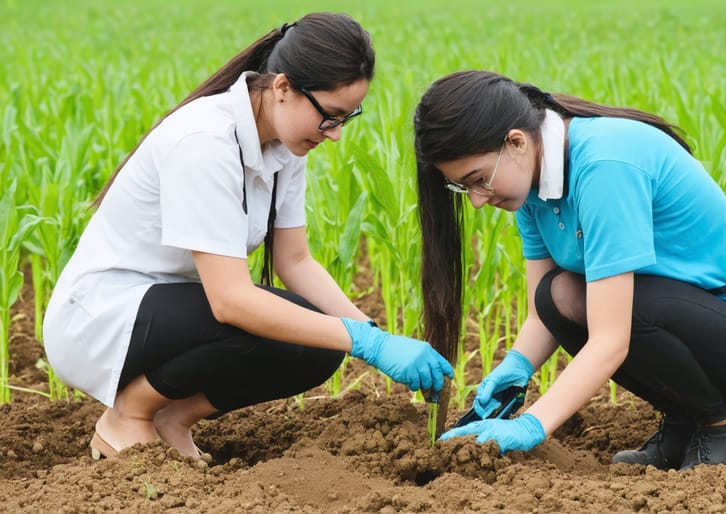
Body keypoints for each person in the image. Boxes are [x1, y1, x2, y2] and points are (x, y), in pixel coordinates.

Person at [43, 12, 452, 462]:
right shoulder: (204, 142)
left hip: (173, 308)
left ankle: (172, 417)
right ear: (282, 89)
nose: (334, 135)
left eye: (346, 119)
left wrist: (372, 336)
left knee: (318, 347)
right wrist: (365, 342)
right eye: (330, 117)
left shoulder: (286, 144)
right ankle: (129, 414)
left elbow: (294, 261)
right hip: (102, 314)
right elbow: (230, 301)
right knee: (274, 323)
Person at [414, 70, 726, 470]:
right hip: (686, 318)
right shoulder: (531, 183)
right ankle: (684, 421)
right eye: (462, 187)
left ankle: (722, 426)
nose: (475, 200)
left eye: (478, 180)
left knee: (603, 304)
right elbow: (546, 312)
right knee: (558, 297)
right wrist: (515, 369)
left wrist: (531, 425)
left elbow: (612, 338)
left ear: (516, 142)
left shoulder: (603, 165)